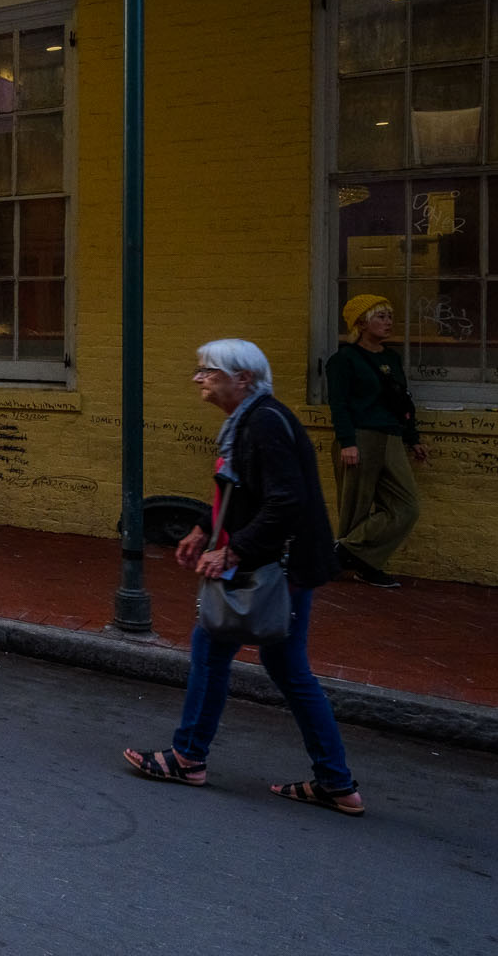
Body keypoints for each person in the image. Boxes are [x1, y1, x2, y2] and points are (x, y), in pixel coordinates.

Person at [124, 339, 360, 816]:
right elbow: (242, 494)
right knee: (283, 668)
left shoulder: (264, 425)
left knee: (220, 652)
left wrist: (232, 551)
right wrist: (204, 529)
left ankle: (188, 757)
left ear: (243, 379)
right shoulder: (248, 422)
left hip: (274, 568)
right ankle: (336, 782)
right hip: (276, 566)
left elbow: (285, 502)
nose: (199, 378)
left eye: (209, 371)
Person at [328, 294, 427, 589]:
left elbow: (401, 402)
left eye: (389, 316)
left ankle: (343, 551)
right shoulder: (343, 360)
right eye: (380, 316)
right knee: (354, 508)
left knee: (406, 507)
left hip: (392, 437)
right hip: (359, 437)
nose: (388, 322)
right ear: (361, 323)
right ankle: (366, 566)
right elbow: (339, 404)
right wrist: (347, 442)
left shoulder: (391, 358)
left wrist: (413, 438)